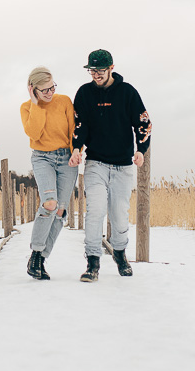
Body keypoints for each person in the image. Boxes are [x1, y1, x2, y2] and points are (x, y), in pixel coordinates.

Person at [70, 49, 152, 282]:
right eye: (92, 71)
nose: (96, 75)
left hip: (122, 165)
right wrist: (77, 148)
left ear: (111, 68)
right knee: (95, 210)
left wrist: (140, 150)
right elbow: (80, 125)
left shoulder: (127, 92)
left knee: (119, 214)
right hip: (96, 162)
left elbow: (143, 122)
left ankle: (119, 252)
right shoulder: (84, 93)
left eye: (100, 70)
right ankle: (92, 261)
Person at [20, 66, 78, 280]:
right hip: (42, 157)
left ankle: (41, 260)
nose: (50, 93)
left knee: (60, 211)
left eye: (52, 87)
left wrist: (76, 152)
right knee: (50, 204)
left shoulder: (64, 101)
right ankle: (35, 252)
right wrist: (36, 105)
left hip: (66, 159)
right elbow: (34, 133)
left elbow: (73, 130)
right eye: (44, 90)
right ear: (33, 90)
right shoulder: (27, 107)